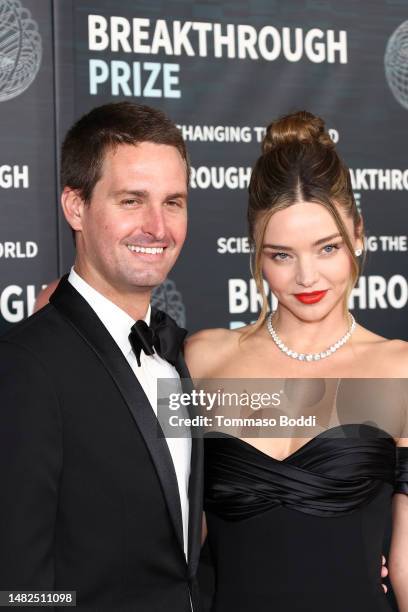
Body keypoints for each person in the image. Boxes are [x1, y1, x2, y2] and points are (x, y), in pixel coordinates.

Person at [185, 111, 408, 611]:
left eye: (326, 248)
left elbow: (407, 559)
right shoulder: (202, 360)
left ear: (358, 234)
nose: (307, 277)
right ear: (255, 253)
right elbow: (169, 530)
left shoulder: (400, 371)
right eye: (281, 254)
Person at [0, 102, 203, 610]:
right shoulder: (26, 366)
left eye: (173, 202)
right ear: (75, 207)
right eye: (132, 200)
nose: (158, 227)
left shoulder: (179, 352)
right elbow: (18, 585)